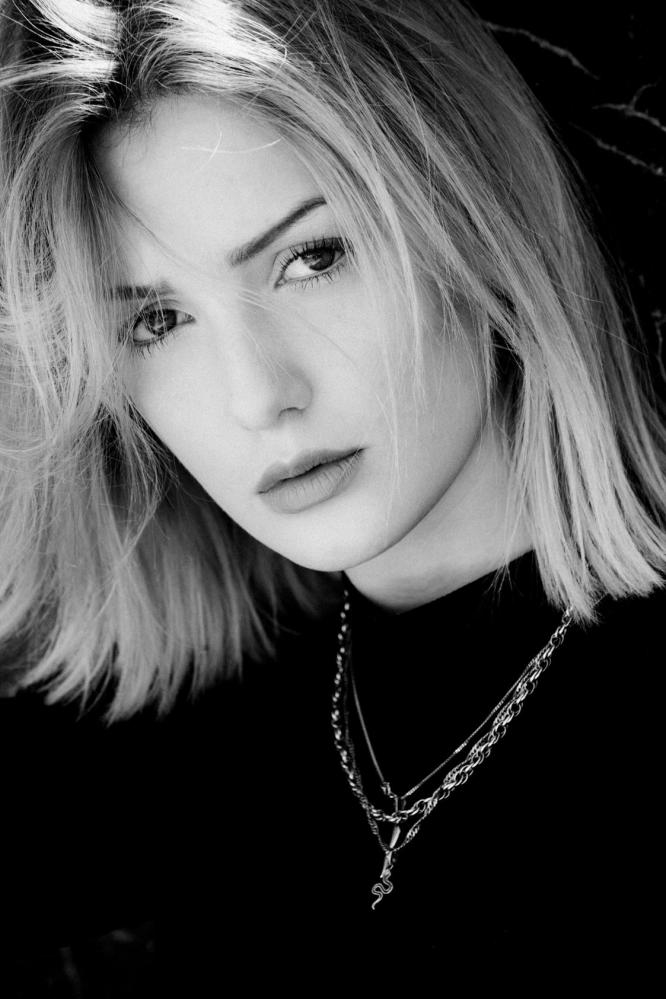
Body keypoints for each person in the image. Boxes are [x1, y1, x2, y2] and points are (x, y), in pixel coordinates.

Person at [0, 0, 664, 989]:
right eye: (157, 323)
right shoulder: (199, 739)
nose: (257, 395)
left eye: (312, 259)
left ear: (475, 220)